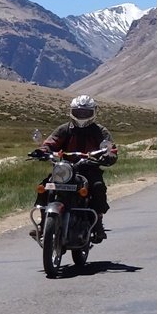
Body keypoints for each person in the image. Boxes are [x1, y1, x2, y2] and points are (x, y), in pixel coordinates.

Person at [30, 94, 117, 242]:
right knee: (44, 186)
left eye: (86, 113)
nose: (82, 116)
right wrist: (42, 151)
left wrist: (108, 156)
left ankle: (98, 223)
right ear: (72, 112)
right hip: (65, 169)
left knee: (97, 187)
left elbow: (110, 148)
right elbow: (51, 142)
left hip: (90, 168)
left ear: (93, 113)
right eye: (79, 112)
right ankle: (44, 222)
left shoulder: (99, 131)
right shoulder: (65, 129)